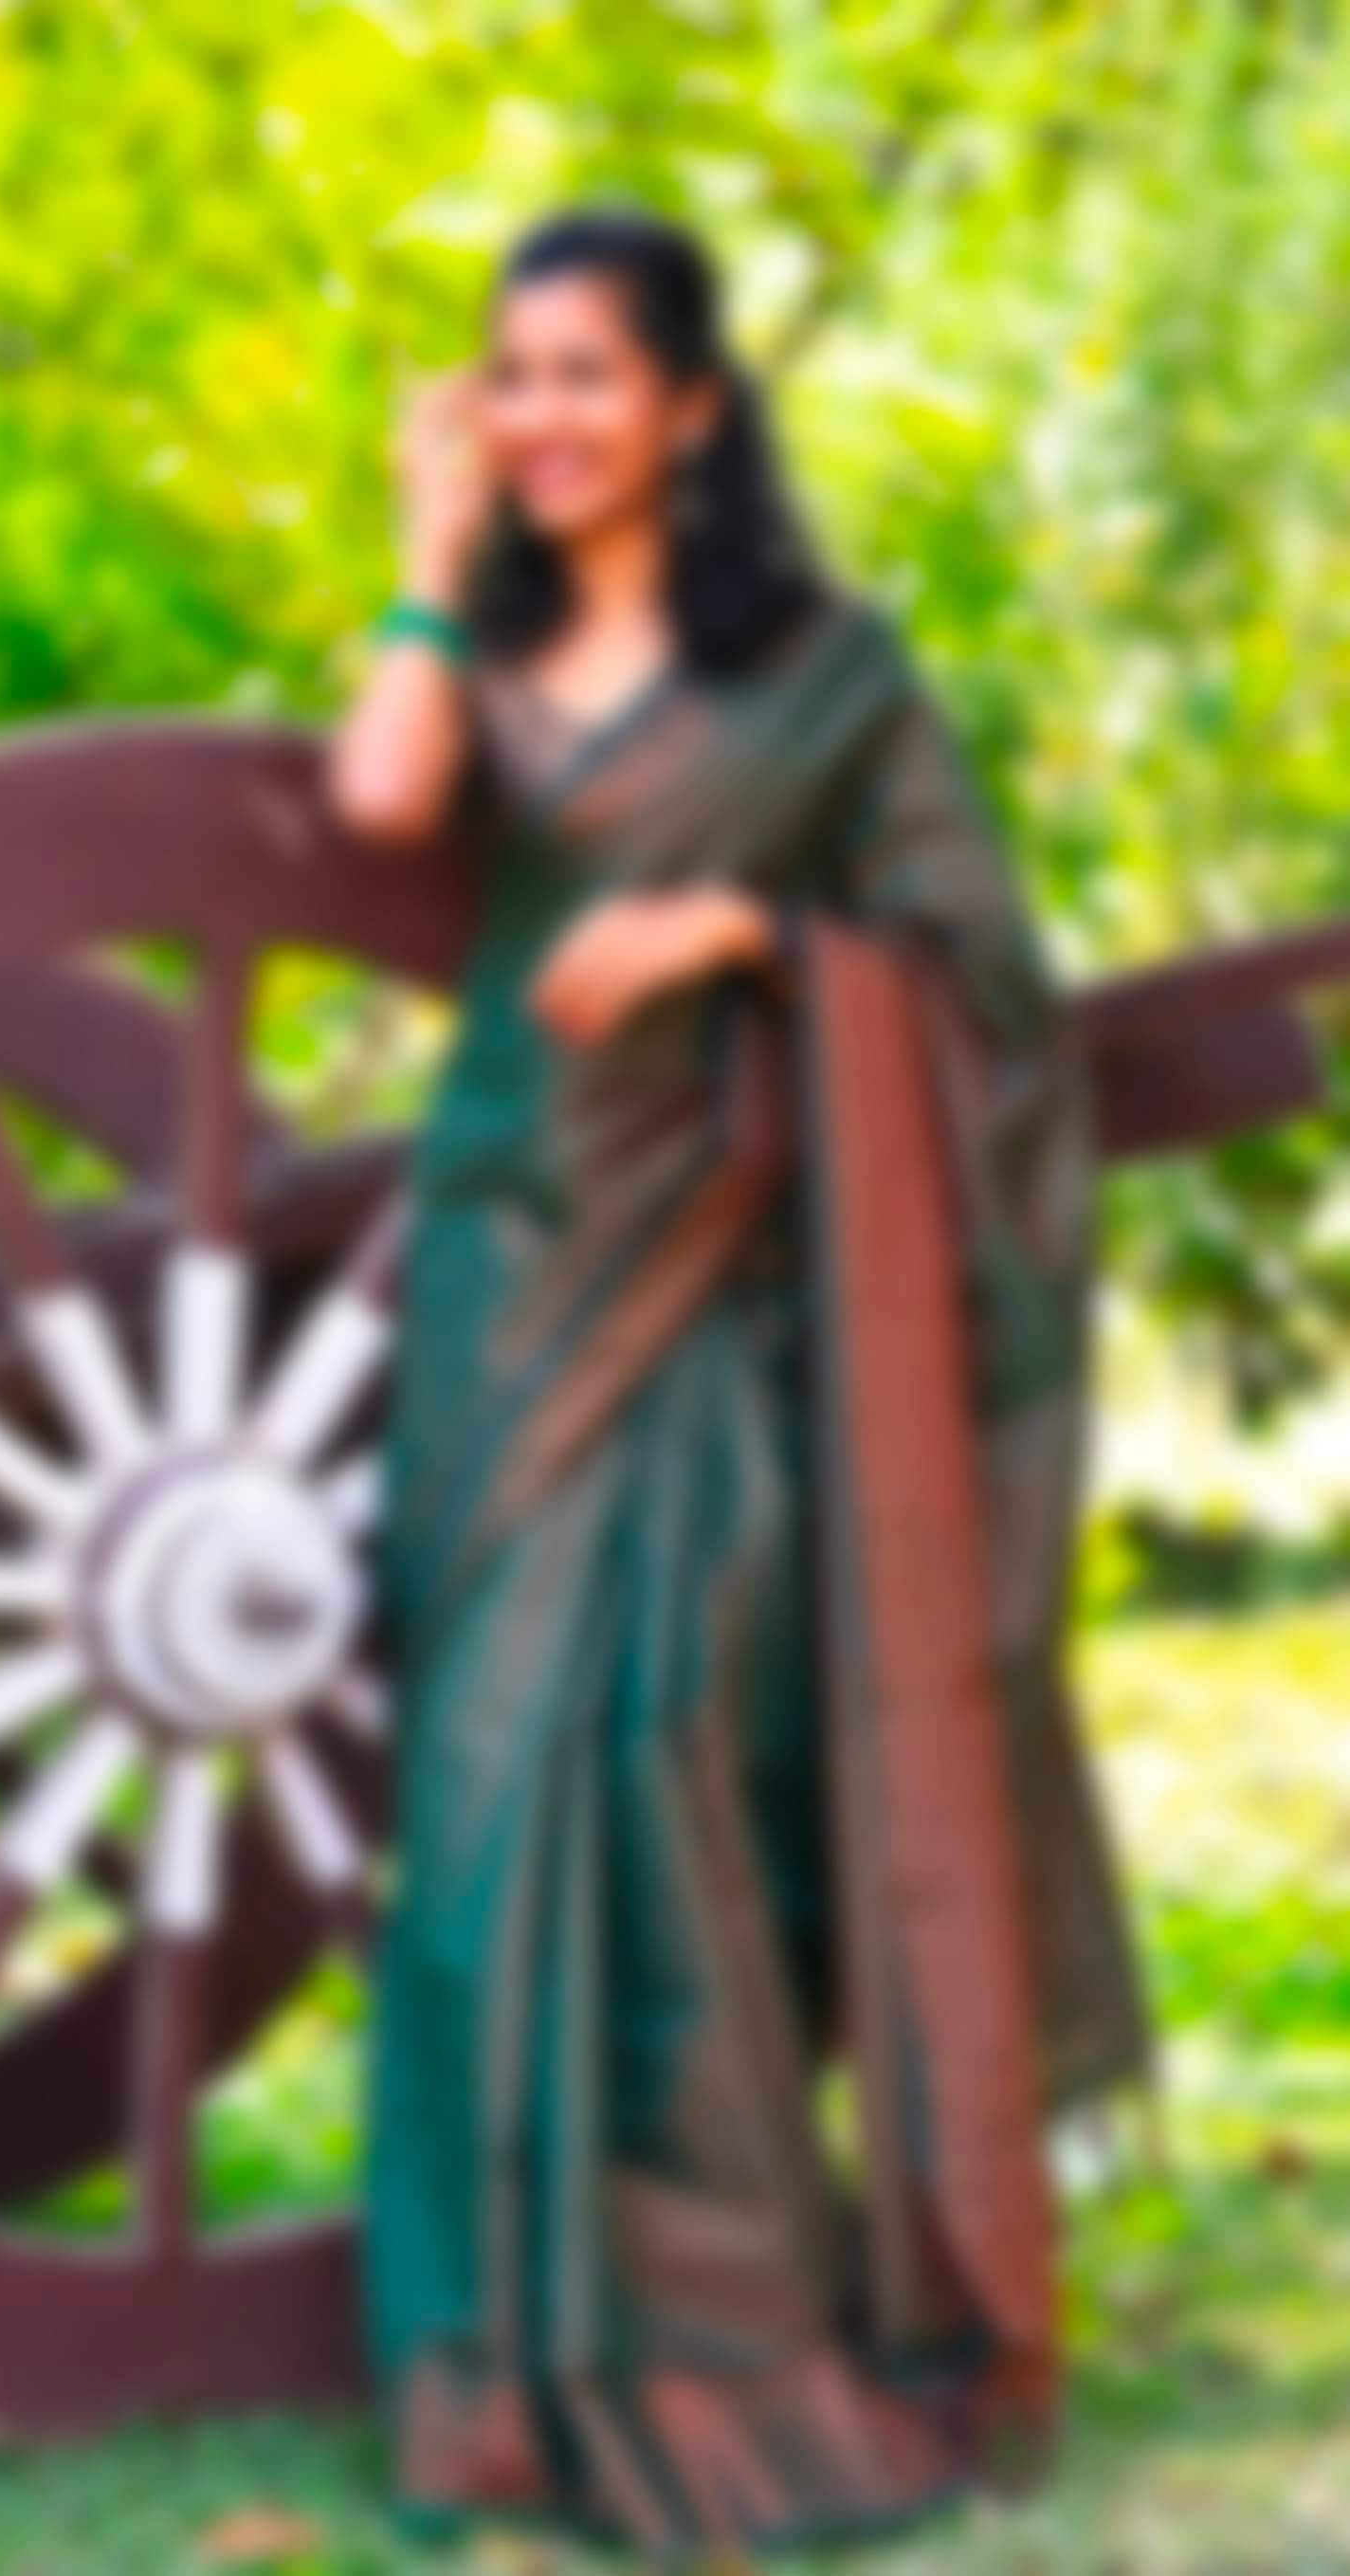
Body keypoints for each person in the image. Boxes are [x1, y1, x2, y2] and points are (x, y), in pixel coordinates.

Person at [326, 204, 1152, 2561]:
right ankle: (493, 2387)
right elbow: (382, 799)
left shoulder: (828, 682)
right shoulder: (486, 646)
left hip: (724, 1289)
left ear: (695, 407)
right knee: (486, 1799)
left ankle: (716, 2353)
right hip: (507, 1266)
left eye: (589, 374)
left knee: (677, 1764)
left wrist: (745, 932)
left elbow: (979, 981)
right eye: (512, 375)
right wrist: (424, 552)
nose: (545, 416)